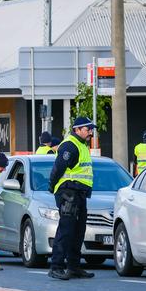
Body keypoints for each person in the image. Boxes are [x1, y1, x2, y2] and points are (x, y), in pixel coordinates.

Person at [47, 117, 97, 280]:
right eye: (87, 129)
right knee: (66, 229)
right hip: (68, 192)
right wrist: (53, 186)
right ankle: (56, 266)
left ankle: (74, 266)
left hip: (79, 193)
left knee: (78, 230)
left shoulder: (82, 146)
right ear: (77, 130)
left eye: (91, 129)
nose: (90, 132)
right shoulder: (70, 145)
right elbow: (58, 168)